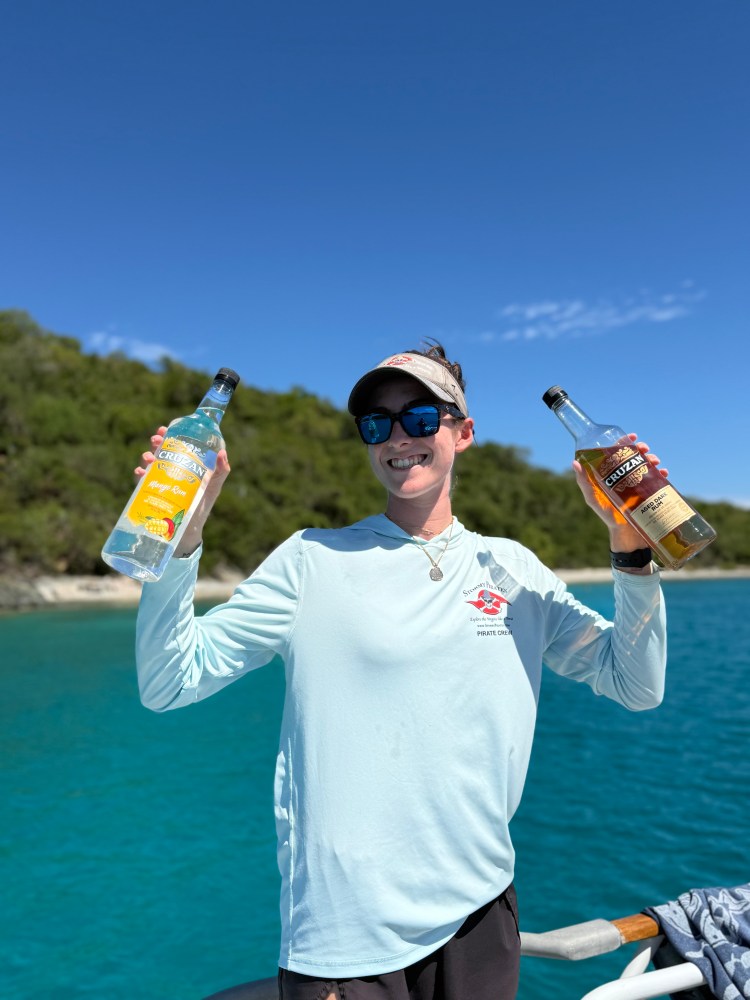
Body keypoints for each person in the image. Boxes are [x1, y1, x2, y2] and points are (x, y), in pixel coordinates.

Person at [135, 344, 668, 1000]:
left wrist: (632, 552)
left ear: (463, 433)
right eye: (376, 423)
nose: (397, 437)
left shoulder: (513, 568)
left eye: (420, 417)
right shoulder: (312, 560)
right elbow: (170, 682)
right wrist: (180, 536)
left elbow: (636, 685)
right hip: (344, 940)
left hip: (481, 914)